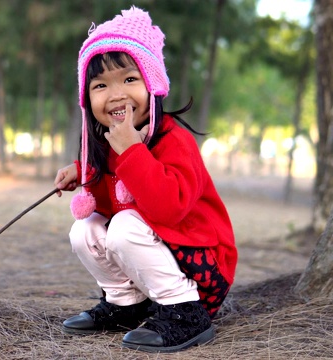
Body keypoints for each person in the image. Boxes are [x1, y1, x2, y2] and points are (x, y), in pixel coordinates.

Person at [53, 6, 237, 353]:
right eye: (101, 85)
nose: (116, 94)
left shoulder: (173, 141)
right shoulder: (107, 145)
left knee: (124, 225)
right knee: (85, 227)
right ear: (87, 98)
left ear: (152, 84)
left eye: (129, 79)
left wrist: (133, 152)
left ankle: (184, 313)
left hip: (202, 269)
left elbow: (167, 209)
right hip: (159, 256)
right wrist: (84, 170)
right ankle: (126, 304)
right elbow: (112, 199)